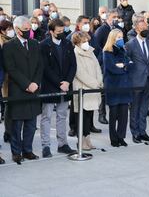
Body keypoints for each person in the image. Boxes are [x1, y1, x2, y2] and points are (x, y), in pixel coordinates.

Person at [3, 16, 44, 164]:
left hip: (34, 90)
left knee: (31, 124)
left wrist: (35, 83)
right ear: (17, 29)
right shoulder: (8, 46)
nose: (28, 32)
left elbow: (40, 65)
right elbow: (11, 69)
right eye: (25, 30)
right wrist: (27, 84)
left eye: (29, 29)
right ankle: (16, 152)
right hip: (18, 90)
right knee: (16, 124)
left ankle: (28, 150)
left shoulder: (35, 44)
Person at [39, 19, 76, 157]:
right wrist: (60, 83)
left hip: (66, 86)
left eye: (63, 31)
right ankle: (46, 146)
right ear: (51, 32)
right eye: (59, 31)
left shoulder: (67, 43)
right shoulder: (44, 45)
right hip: (50, 86)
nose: (62, 33)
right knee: (46, 116)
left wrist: (67, 82)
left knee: (62, 116)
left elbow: (73, 65)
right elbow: (45, 68)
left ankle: (63, 144)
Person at [125, 16, 149, 143]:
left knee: (144, 108)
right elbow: (127, 63)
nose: (145, 29)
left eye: (146, 27)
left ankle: (143, 132)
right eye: (142, 28)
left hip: (148, 80)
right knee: (135, 108)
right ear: (136, 29)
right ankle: (135, 133)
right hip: (136, 82)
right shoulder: (130, 44)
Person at [72, 32, 103, 150]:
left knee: (89, 116)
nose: (86, 43)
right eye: (83, 41)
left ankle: (88, 139)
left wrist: (99, 81)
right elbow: (80, 73)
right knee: (82, 117)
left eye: (87, 41)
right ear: (77, 42)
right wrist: (94, 83)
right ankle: (81, 141)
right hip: (83, 89)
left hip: (93, 90)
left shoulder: (91, 51)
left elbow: (97, 68)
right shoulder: (75, 53)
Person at [103, 29, 132, 147]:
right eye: (118, 37)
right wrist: (123, 67)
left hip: (124, 86)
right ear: (113, 38)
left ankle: (121, 137)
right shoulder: (107, 52)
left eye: (122, 37)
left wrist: (123, 66)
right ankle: (113, 138)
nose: (121, 39)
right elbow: (111, 68)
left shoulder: (123, 50)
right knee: (113, 114)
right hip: (113, 86)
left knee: (124, 115)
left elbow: (130, 65)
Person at [95, 9, 118, 124]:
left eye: (117, 17)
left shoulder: (116, 29)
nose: (116, 19)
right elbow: (97, 46)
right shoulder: (101, 30)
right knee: (103, 91)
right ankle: (101, 114)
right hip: (104, 63)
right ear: (107, 18)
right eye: (113, 17)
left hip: (114, 63)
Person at [0, 19, 14, 143]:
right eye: (9, 29)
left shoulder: (12, 41)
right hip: (5, 79)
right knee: (8, 106)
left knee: (11, 106)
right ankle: (8, 132)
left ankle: (10, 132)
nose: (11, 31)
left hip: (13, 78)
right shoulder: (2, 42)